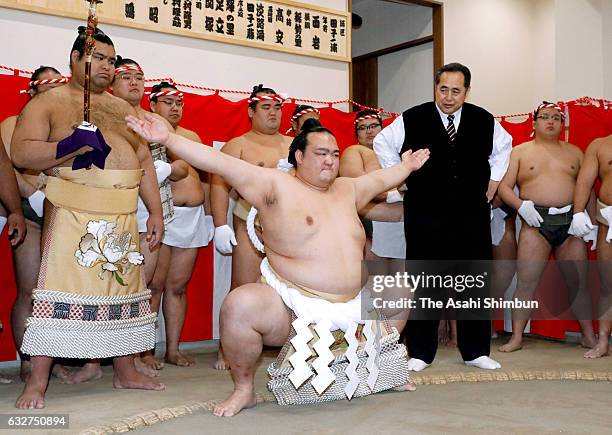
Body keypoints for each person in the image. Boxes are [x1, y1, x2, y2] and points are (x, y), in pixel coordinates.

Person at [126, 112, 429, 417]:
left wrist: (407, 166)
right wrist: (169, 139)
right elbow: (219, 163)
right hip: (294, 307)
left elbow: (379, 178)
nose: (330, 161)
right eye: (321, 154)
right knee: (239, 305)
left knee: (400, 288)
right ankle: (244, 390)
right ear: (299, 156)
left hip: (355, 303)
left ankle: (378, 368)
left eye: (335, 154)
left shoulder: (347, 189)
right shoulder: (274, 185)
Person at [11, 27, 164, 409]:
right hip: (73, 210)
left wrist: (156, 211)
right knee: (55, 295)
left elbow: (143, 159)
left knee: (124, 293)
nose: (107, 67)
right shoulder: (50, 102)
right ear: (75, 59)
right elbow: (22, 153)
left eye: (112, 61)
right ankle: (37, 382)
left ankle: (125, 372)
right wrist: (70, 147)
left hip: (124, 212)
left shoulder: (122, 107)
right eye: (98, 58)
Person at [374, 62, 512, 371]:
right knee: (425, 279)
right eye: (443, 89)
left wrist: (493, 182)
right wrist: (401, 176)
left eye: (455, 91)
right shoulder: (413, 117)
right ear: (435, 88)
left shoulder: (483, 119)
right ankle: (420, 352)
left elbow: (505, 147)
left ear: (466, 91)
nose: (448, 97)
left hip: (471, 213)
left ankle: (476, 351)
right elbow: (382, 143)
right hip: (425, 212)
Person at [498, 102, 597, 353]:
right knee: (525, 284)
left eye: (556, 117)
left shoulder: (576, 152)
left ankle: (589, 337)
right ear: (534, 122)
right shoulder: (520, 152)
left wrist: (591, 222)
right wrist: (521, 207)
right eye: (545, 117)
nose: (551, 121)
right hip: (535, 222)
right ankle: (517, 337)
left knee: (579, 284)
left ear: (562, 124)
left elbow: (588, 189)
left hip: (570, 222)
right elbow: (503, 188)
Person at [113, 67, 190, 372]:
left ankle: (138, 354)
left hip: (152, 210)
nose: (134, 83)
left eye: (138, 79)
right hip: (114, 207)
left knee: (145, 285)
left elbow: (181, 163)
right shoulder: (104, 113)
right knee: (112, 285)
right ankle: (99, 359)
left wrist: (166, 170)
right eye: (126, 78)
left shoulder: (155, 122)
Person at [210, 84, 292, 370]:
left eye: (277, 107)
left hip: (286, 226)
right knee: (242, 288)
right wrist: (221, 224)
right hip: (249, 222)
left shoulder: (293, 143)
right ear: (251, 111)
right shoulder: (238, 144)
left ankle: (288, 346)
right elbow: (219, 184)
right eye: (266, 107)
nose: (273, 113)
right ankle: (226, 348)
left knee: (290, 288)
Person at [1, 66, 68, 382]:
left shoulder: (67, 127)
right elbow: (5, 169)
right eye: (46, 87)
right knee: (29, 290)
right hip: (29, 209)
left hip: (64, 213)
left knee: (58, 293)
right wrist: (31, 195)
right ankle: (28, 361)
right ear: (30, 93)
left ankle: (54, 359)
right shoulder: (11, 125)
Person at [149, 81, 213, 367]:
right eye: (168, 102)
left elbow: (208, 178)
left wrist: (211, 216)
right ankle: (143, 352)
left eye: (179, 103)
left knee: (178, 287)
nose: (175, 108)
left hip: (194, 217)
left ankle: (173, 349)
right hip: (163, 215)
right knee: (154, 286)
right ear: (153, 105)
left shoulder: (191, 136)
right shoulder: (146, 134)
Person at [339, 110, 404, 261]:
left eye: (374, 125)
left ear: (382, 129)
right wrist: (389, 194)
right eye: (362, 128)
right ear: (357, 135)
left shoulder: (396, 150)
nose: (369, 131)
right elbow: (357, 186)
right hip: (374, 205)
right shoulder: (355, 151)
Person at [571, 133, 612, 358]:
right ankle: (603, 341)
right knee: (608, 283)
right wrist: (578, 212)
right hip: (608, 217)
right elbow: (585, 181)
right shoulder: (600, 145)